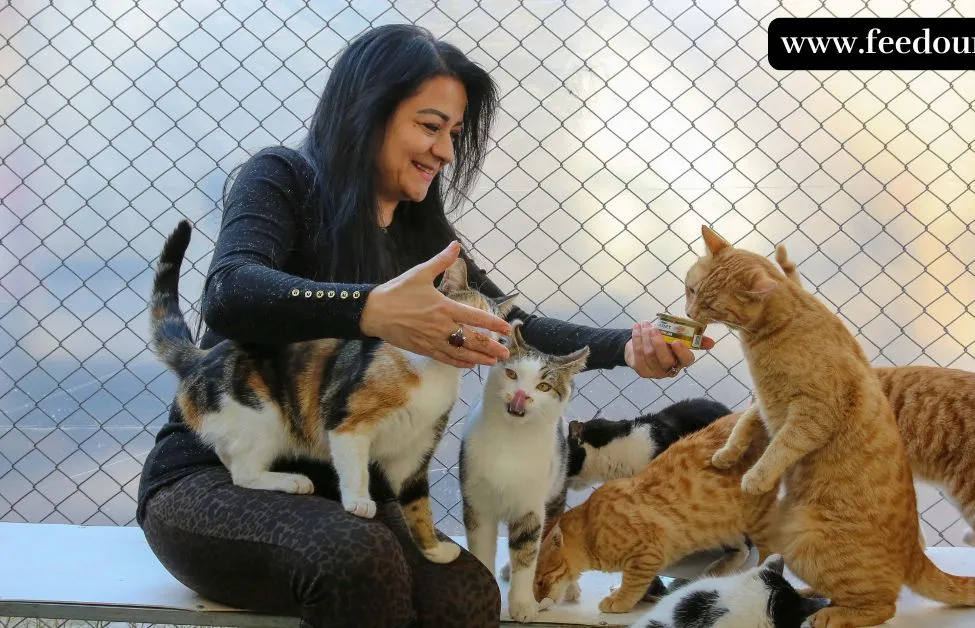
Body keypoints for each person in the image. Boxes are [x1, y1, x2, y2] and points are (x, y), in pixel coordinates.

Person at [136, 24, 714, 628]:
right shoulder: (282, 177)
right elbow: (232, 290)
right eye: (430, 126)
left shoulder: (421, 231)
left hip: (347, 492)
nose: (445, 151)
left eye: (454, 134)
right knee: (355, 562)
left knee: (465, 597)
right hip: (213, 479)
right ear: (370, 113)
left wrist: (628, 346)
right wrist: (370, 307)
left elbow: (513, 327)